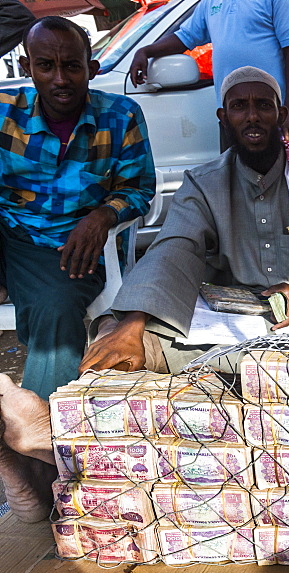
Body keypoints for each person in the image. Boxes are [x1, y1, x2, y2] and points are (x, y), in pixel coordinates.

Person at [0, 67, 289, 523]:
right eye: (240, 106)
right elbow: (175, 247)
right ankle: (60, 457)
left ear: (282, 113)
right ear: (224, 117)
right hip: (240, 318)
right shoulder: (206, 182)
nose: (252, 116)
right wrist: (132, 325)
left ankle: (56, 449)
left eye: (263, 105)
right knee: (119, 342)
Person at [0, 17, 155, 400]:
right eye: (45, 66)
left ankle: (46, 426)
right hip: (9, 233)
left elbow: (139, 189)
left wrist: (103, 216)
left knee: (56, 307)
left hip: (68, 246)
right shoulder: (5, 112)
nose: (60, 79)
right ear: (27, 68)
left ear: (92, 68)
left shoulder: (121, 116)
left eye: (71, 66)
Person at [127, 0, 289, 140]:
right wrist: (145, 51)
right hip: (232, 113)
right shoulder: (210, 3)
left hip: (269, 111)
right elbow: (185, 37)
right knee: (234, 179)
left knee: (277, 178)